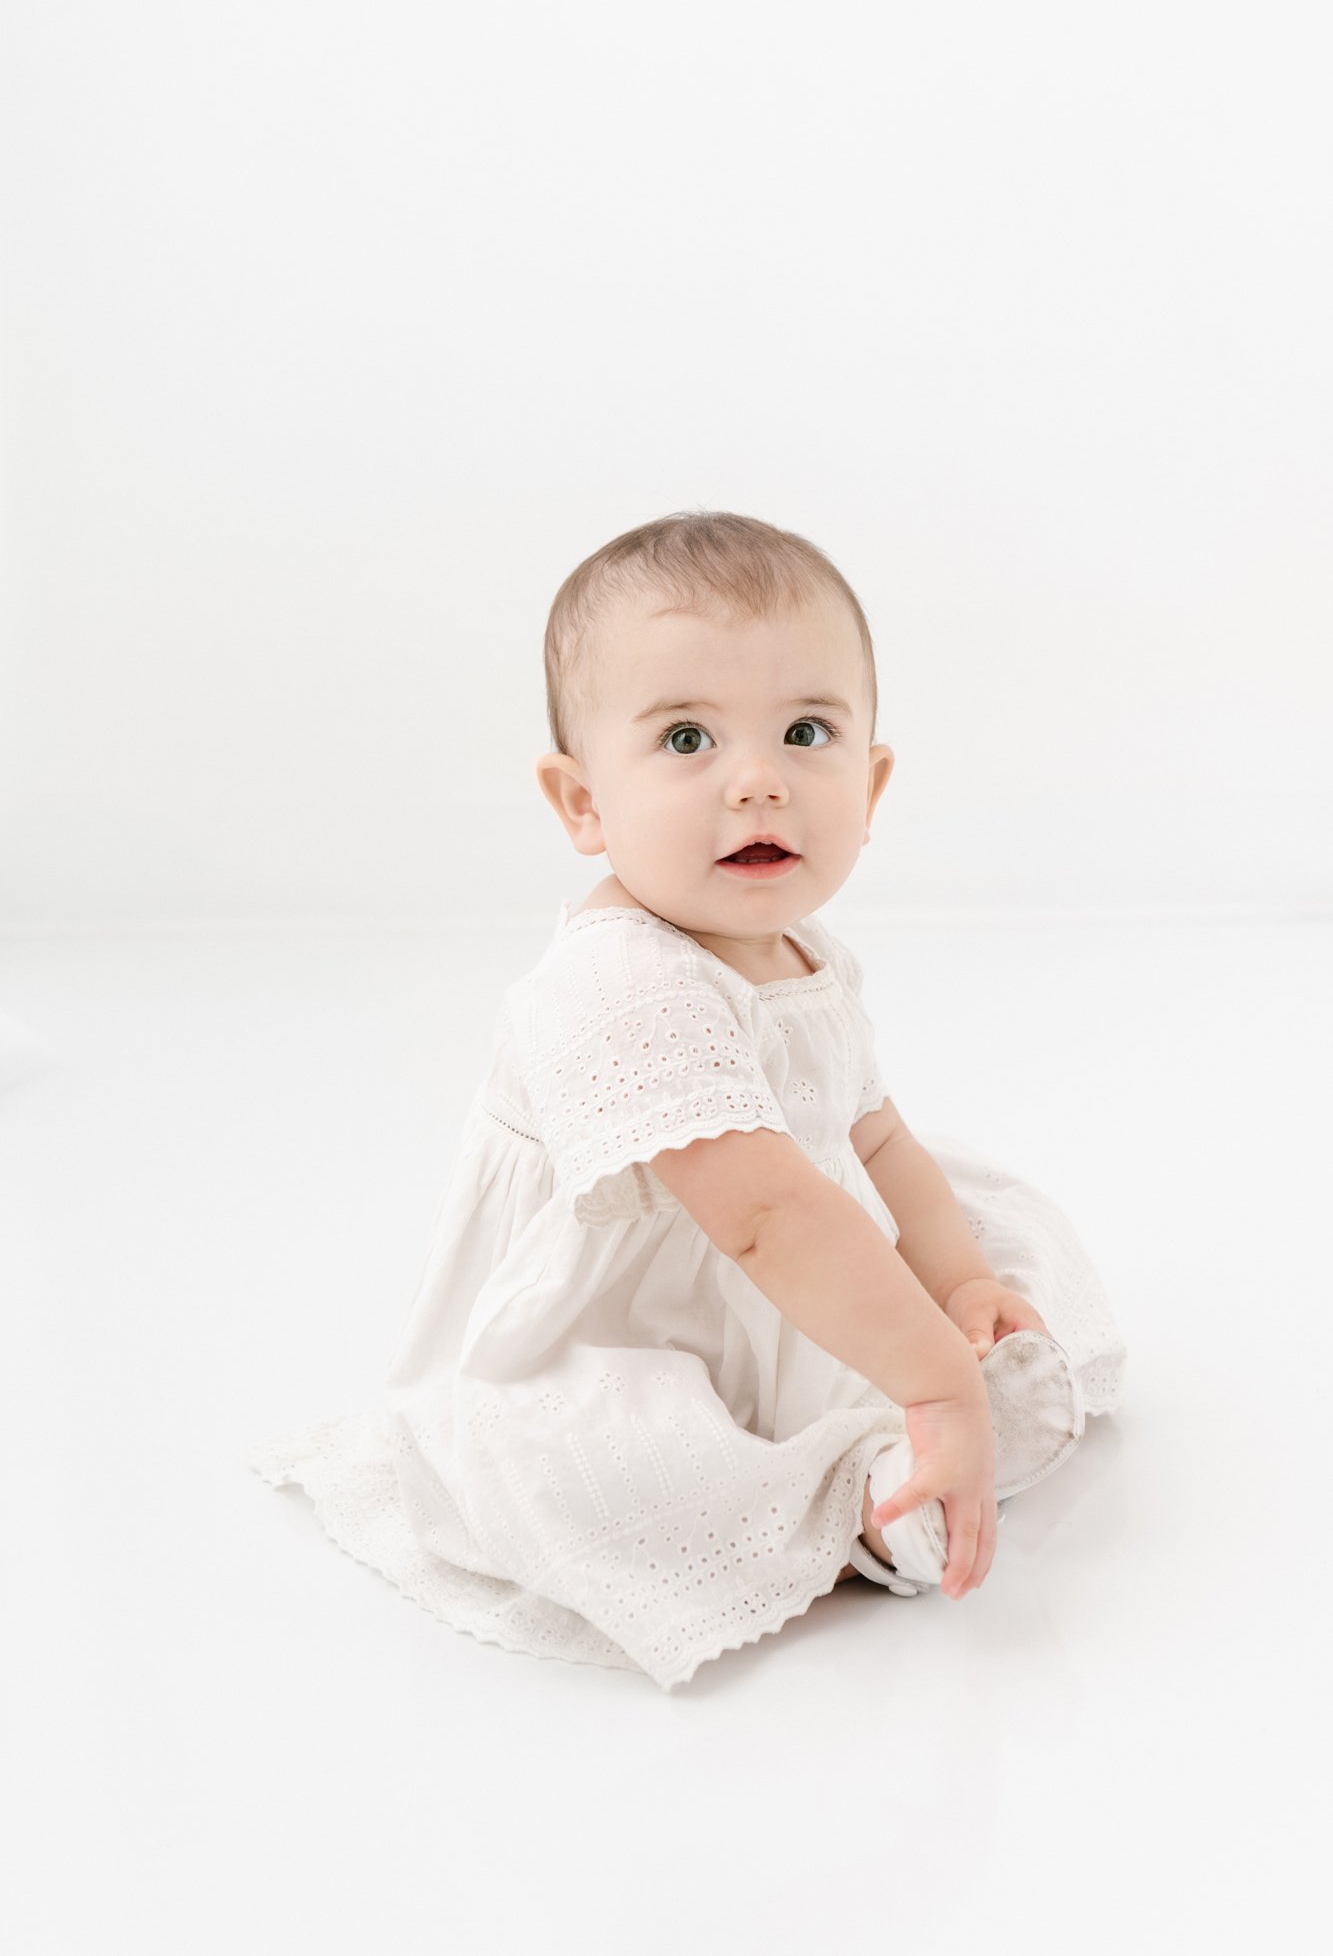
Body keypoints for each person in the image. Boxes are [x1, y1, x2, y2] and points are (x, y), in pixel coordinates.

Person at [249, 509, 1127, 1691]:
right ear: (581, 803)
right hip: (632, 1311)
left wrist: (960, 1285)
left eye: (805, 732)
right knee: (602, 1455)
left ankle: (914, 1428)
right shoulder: (618, 983)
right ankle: (860, 1504)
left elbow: (873, 1136)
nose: (757, 780)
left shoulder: (804, 953)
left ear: (869, 785)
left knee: (1007, 1239)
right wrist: (934, 1373)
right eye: (684, 739)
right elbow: (762, 1215)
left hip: (797, 1258)